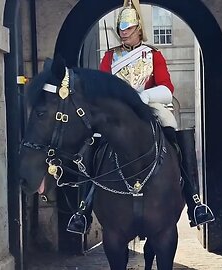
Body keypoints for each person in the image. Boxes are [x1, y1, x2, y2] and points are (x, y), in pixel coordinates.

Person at [66, 0, 214, 235]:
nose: (123, 33)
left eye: (128, 29)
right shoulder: (109, 57)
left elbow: (167, 88)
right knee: (93, 139)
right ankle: (84, 208)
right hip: (117, 111)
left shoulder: (153, 55)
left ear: (138, 30)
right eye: (121, 29)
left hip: (149, 105)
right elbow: (102, 86)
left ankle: (193, 199)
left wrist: (144, 96)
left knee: (172, 127)